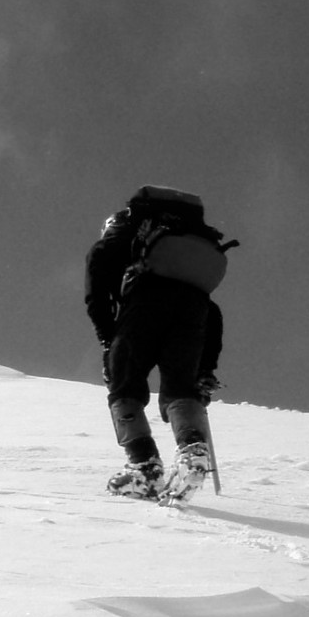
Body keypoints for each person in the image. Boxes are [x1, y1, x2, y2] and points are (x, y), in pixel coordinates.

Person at [83, 186, 234, 503]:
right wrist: (205, 368)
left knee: (124, 385)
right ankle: (192, 449)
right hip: (193, 312)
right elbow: (213, 314)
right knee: (181, 385)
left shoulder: (119, 245)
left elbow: (97, 294)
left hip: (144, 307)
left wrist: (108, 340)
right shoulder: (188, 265)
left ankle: (143, 466)